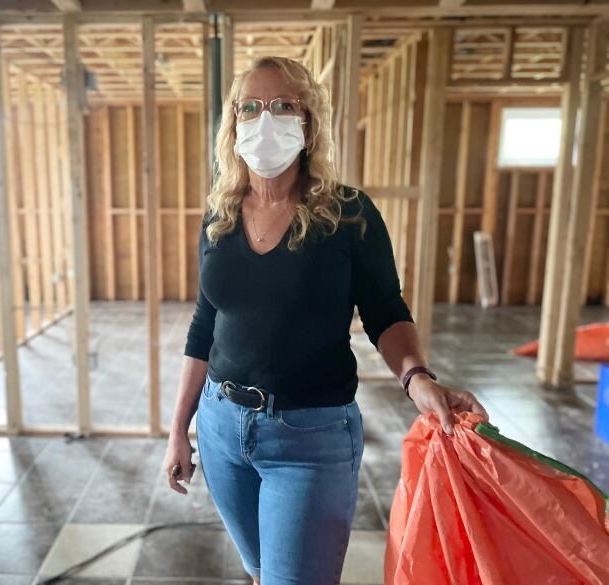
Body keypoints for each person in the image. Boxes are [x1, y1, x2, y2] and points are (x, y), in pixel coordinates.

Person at [163, 55, 489, 585]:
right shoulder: (218, 217)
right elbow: (206, 323)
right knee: (261, 571)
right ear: (234, 124)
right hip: (221, 428)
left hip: (309, 439)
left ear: (309, 124)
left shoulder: (349, 215)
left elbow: (386, 310)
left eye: (283, 106)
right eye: (251, 108)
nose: (265, 120)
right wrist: (180, 428)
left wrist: (417, 378)